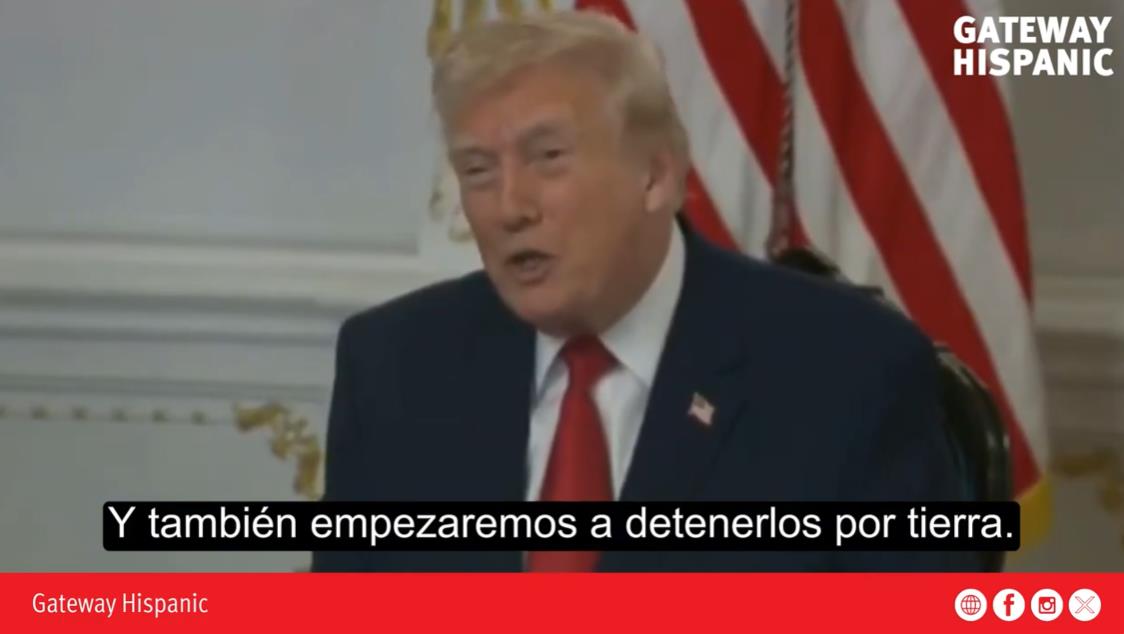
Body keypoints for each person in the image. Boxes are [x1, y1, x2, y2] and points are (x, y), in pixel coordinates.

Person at [313, 10, 972, 572]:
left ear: (655, 176)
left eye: (549, 159)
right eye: (478, 171)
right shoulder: (397, 364)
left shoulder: (845, 369)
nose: (508, 206)